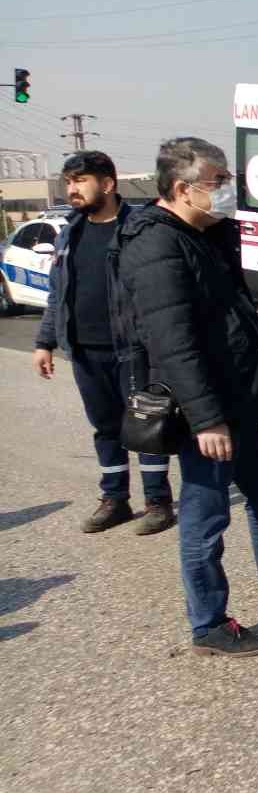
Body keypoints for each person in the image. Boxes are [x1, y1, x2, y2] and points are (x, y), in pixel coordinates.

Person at [114, 138, 258, 657]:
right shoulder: (155, 245)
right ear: (182, 188)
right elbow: (173, 343)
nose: (228, 190)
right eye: (218, 181)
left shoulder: (208, 234)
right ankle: (208, 623)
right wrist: (207, 418)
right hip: (204, 411)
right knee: (206, 512)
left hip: (238, 401)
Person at [31, 151, 175, 535]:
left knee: (145, 422)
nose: (72, 189)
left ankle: (158, 501)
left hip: (133, 348)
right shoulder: (70, 231)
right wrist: (45, 341)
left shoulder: (137, 227)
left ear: (107, 184)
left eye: (80, 181)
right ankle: (115, 499)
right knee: (105, 426)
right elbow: (56, 293)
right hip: (84, 349)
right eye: (69, 182)